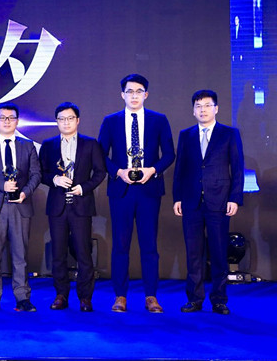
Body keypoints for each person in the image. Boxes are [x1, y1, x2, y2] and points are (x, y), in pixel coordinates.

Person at [98, 74, 174, 313]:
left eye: (139, 91)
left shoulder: (158, 120)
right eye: (129, 91)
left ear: (146, 95)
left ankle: (151, 296)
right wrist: (118, 172)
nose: (134, 95)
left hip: (149, 190)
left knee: (149, 245)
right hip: (121, 190)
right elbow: (100, 155)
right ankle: (120, 296)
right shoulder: (110, 121)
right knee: (120, 245)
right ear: (122, 94)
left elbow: (169, 154)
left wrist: (152, 170)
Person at [173, 90, 244, 315]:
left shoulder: (229, 133)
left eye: (207, 105)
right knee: (194, 253)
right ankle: (194, 299)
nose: (202, 110)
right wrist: (177, 197)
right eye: (198, 106)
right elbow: (180, 169)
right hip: (191, 201)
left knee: (219, 253)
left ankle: (219, 300)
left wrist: (234, 198)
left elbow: (238, 168)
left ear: (216, 108)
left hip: (220, 201)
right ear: (193, 110)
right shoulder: (186, 135)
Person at [39, 102, 107, 312]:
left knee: (83, 252)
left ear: (77, 120)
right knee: (58, 252)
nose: (66, 122)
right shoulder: (48, 145)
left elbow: (100, 172)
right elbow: (40, 173)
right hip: (57, 206)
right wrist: (55, 180)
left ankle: (85, 297)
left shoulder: (90, 144)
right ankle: (61, 295)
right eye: (61, 119)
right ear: (56, 122)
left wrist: (83, 188)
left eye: (70, 118)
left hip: (81, 205)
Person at [0, 103, 41, 312]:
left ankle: (22, 297)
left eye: (11, 117)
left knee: (20, 255)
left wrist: (24, 192)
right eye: (2, 117)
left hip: (21, 206)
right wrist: (1, 185)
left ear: (17, 121)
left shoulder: (27, 146)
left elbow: (36, 174)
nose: (7, 121)